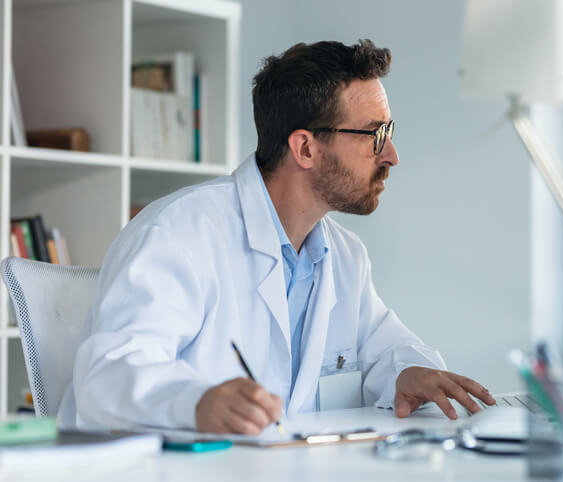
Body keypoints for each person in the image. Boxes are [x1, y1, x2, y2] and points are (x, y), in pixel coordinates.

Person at [59, 39, 496, 434]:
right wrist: (198, 403)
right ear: (305, 148)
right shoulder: (178, 233)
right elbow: (109, 373)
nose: (392, 155)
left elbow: (385, 347)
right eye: (375, 135)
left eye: (390, 133)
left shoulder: (343, 256)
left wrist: (408, 373)